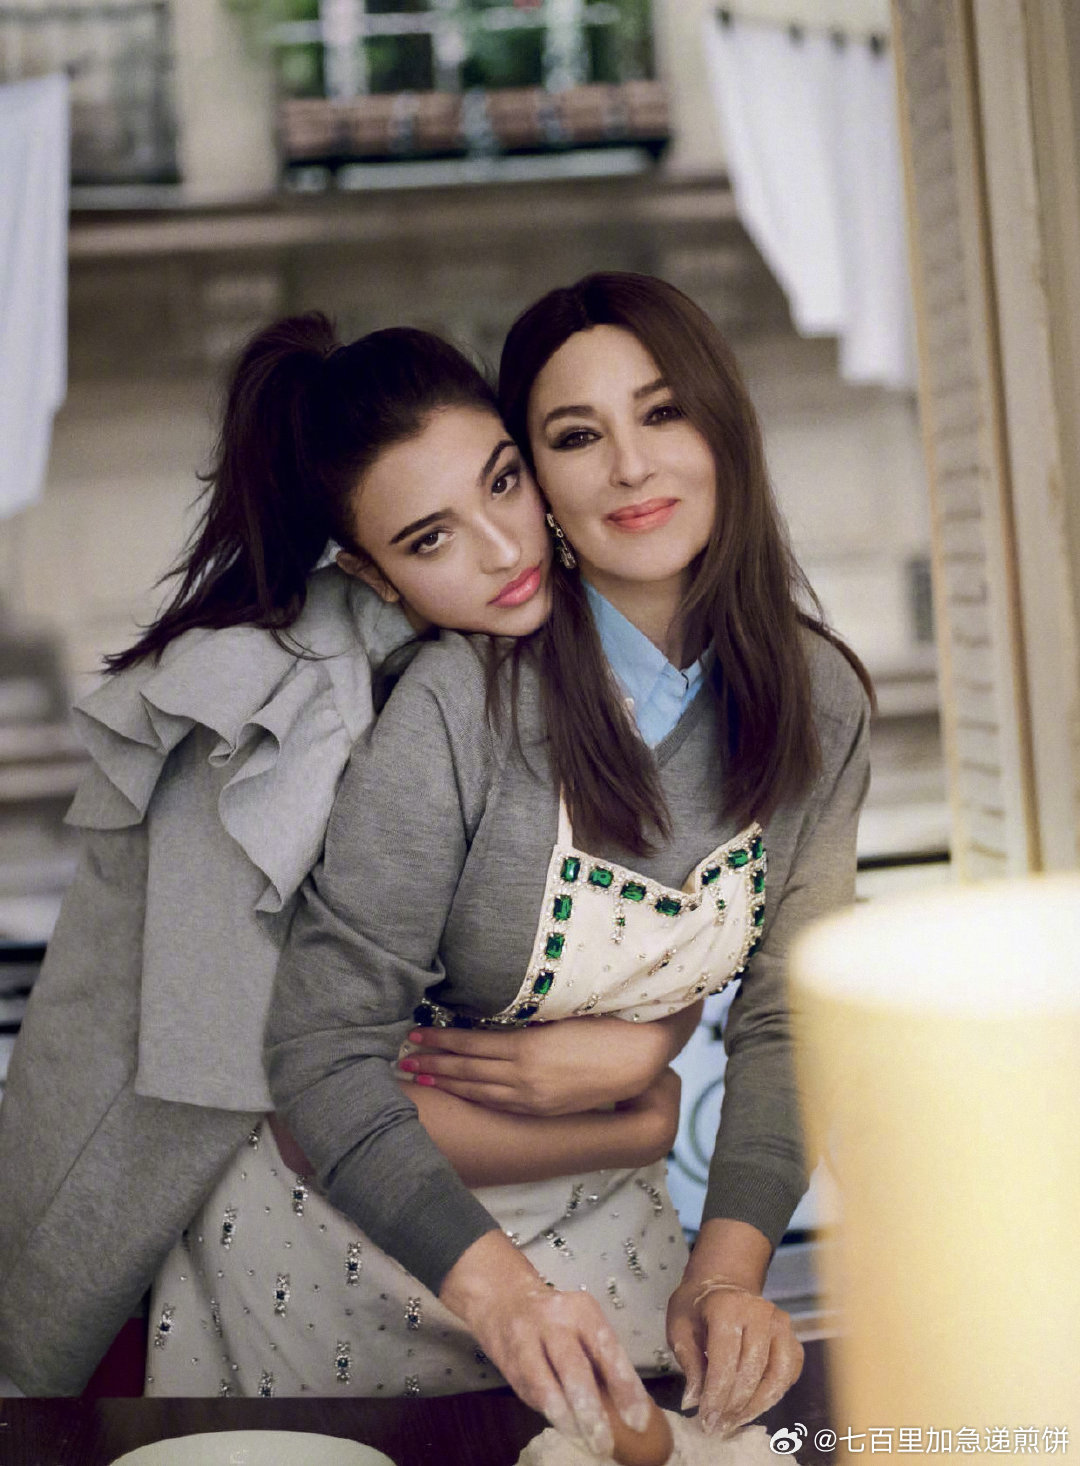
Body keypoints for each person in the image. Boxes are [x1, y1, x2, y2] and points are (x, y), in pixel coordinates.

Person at [0, 315, 694, 1398]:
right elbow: (298, 1097)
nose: (503, 550)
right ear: (368, 570)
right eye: (431, 538)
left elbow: (691, 917)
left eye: (503, 482)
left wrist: (647, 1045)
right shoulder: (278, 727)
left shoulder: (600, 627)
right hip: (322, 1247)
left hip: (583, 1226)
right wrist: (634, 1122)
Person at [265, 273, 873, 1455]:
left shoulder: (821, 699)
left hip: (615, 1252)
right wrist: (610, 1145)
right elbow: (322, 1057)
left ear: (725, 424)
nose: (632, 467)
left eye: (663, 412)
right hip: (352, 1260)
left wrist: (728, 1270)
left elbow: (788, 1017)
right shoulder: (459, 705)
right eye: (577, 436)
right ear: (540, 480)